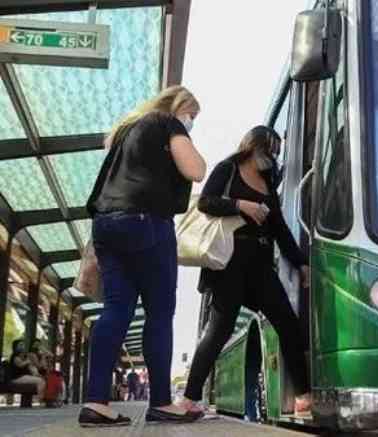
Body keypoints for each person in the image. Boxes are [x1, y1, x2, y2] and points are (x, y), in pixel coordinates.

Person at [79, 85, 207, 427]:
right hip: (146, 222)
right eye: (192, 115)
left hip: (106, 224)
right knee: (160, 313)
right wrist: (185, 137)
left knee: (116, 309)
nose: (191, 122)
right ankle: (162, 402)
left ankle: (96, 402)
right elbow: (195, 170)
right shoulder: (168, 123)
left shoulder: (126, 131)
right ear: (180, 107)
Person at [178, 126, 312, 417]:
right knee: (219, 329)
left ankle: (303, 395)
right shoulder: (228, 168)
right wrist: (241, 206)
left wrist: (300, 261)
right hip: (229, 261)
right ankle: (188, 399)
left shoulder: (268, 181)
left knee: (288, 322)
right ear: (253, 146)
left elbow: (279, 227)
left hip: (260, 262)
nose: (273, 157)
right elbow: (205, 202)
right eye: (269, 150)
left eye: (276, 152)